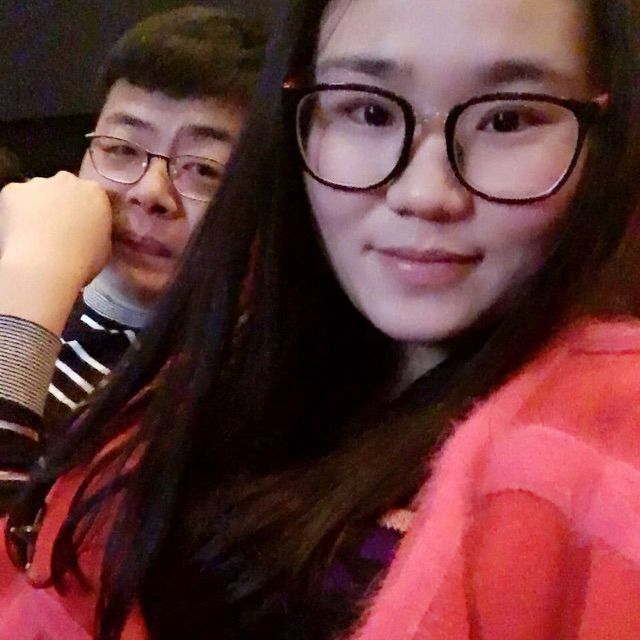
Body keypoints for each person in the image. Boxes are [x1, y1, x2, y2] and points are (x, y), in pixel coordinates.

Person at [2, 0, 640, 638]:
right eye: (369, 112)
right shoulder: (209, 388)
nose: (425, 194)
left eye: (508, 119)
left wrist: (22, 315)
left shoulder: (606, 464)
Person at [0, 4, 264, 481]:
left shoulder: (240, 393)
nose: (150, 192)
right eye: (121, 149)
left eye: (204, 170)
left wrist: (28, 307)